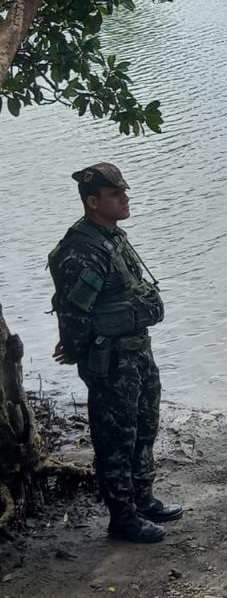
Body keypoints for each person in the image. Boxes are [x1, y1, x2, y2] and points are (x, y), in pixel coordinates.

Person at [48, 164, 179, 544]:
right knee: (115, 438)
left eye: (124, 191)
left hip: (136, 350)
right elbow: (73, 310)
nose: (125, 198)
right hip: (110, 359)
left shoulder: (112, 238)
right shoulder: (80, 250)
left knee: (144, 426)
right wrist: (75, 349)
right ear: (93, 202)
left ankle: (143, 499)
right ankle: (122, 517)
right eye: (115, 194)